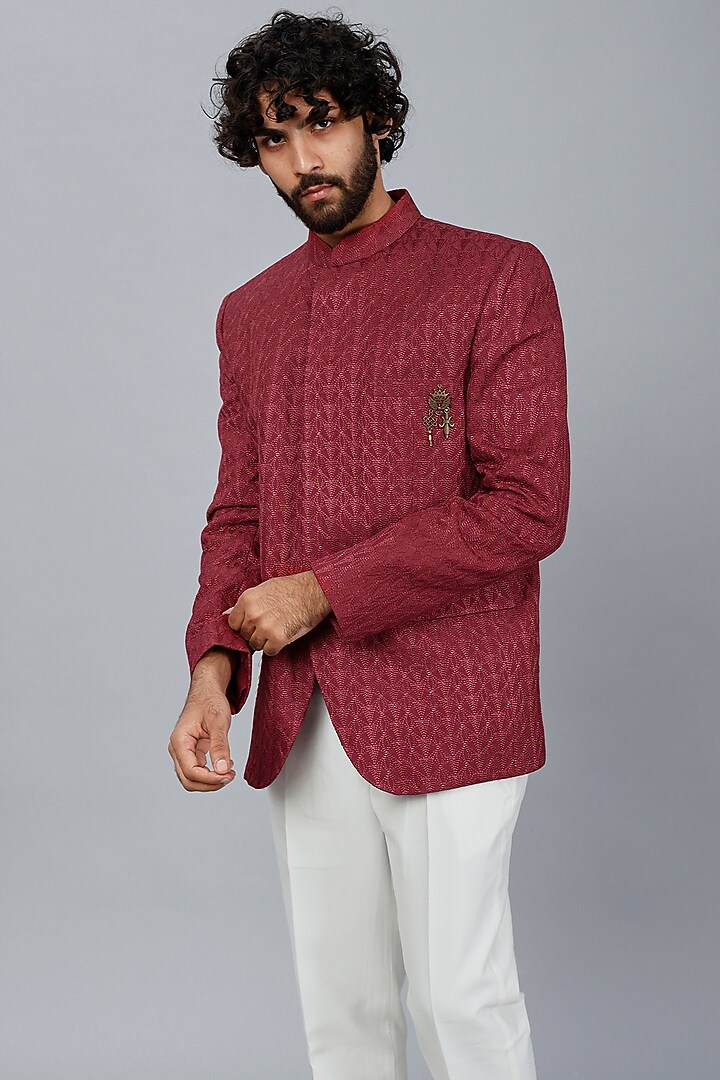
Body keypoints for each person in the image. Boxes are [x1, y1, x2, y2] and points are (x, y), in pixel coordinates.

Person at [168, 9, 570, 1079]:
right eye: (273, 139)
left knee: (460, 1003)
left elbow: (527, 505)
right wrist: (214, 667)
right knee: (341, 1018)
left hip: (455, 694)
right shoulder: (250, 314)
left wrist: (322, 590)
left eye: (323, 123)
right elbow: (238, 513)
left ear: (377, 122)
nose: (303, 160)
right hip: (303, 711)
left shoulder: (497, 276)